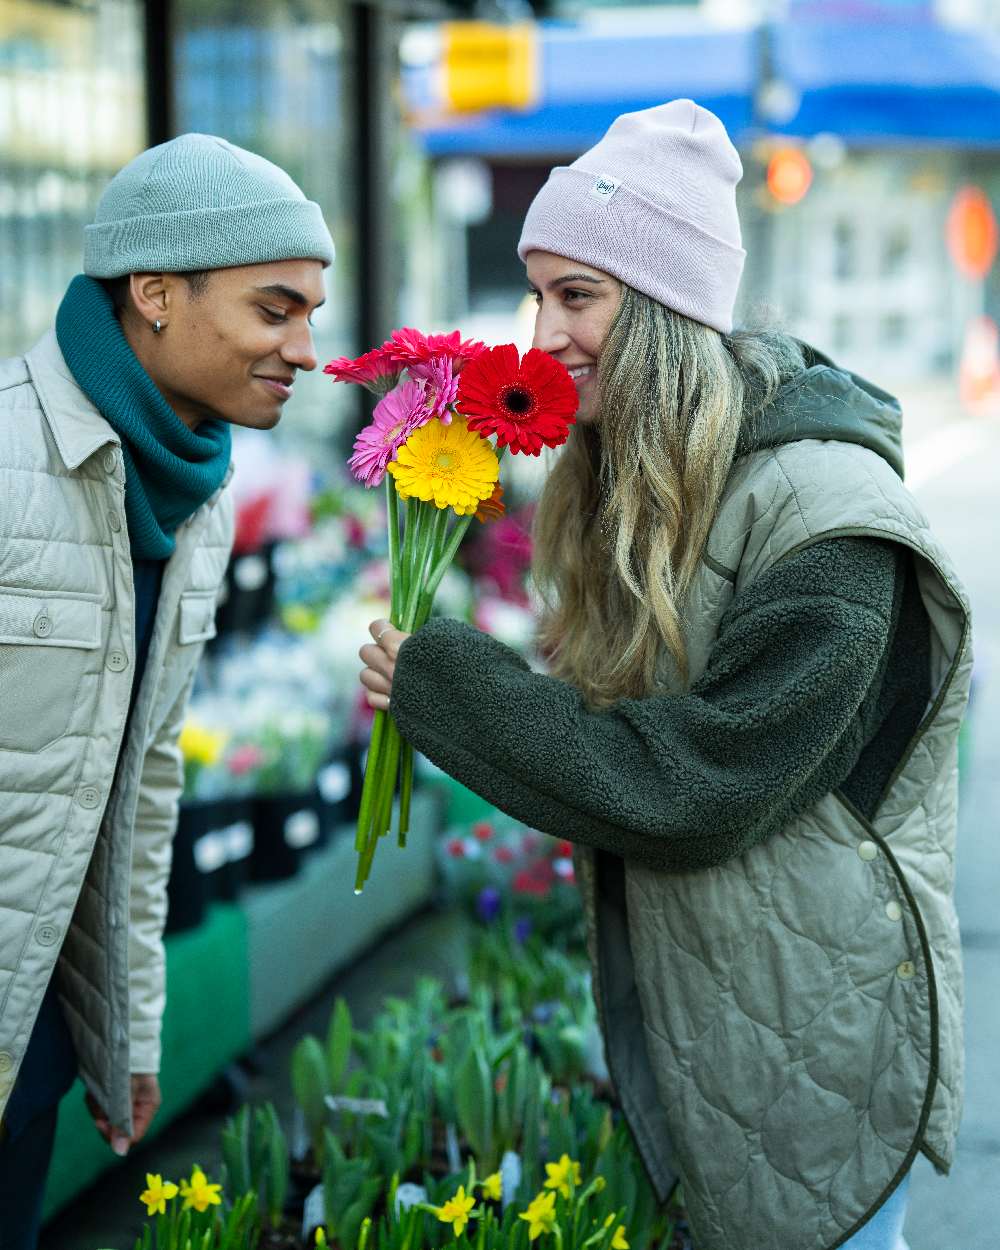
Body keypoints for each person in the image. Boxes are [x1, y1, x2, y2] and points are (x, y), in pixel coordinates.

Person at [359, 100, 971, 1250]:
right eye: (536, 292)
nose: (540, 334)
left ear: (667, 308)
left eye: (577, 295)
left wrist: (446, 683)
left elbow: (694, 786)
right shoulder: (650, 477)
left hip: (817, 1040)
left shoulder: (831, 524)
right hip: (730, 1013)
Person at [0, 132, 332, 1248]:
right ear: (153, 294)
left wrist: (125, 1026)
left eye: (311, 316)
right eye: (275, 309)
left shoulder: (197, 502)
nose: (305, 348)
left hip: (32, 1045)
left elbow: (139, 794)